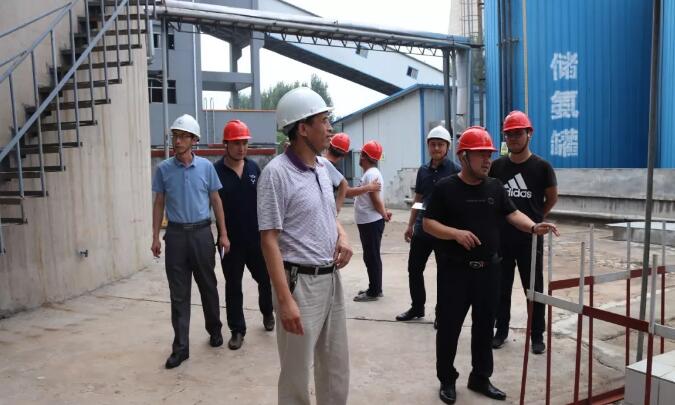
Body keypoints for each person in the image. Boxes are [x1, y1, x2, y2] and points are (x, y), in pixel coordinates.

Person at [423, 126, 559, 404]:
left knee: (485, 327)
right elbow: (428, 223)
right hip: (455, 273)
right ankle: (447, 379)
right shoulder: (445, 188)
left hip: (488, 271)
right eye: (481, 154)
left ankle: (480, 377)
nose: (488, 160)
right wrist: (455, 233)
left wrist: (534, 227)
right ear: (463, 157)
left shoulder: (495, 187)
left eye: (490, 154)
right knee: (449, 328)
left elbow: (513, 214)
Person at [257, 87, 354, 405]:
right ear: (302, 128)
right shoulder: (276, 174)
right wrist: (285, 300)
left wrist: (341, 235)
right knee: (296, 374)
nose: (330, 128)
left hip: (331, 280)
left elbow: (328, 212)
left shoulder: (323, 168)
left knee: (336, 368)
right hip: (299, 283)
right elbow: (269, 239)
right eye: (323, 121)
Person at [151, 114, 230, 369]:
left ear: (194, 140)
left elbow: (216, 200)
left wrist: (223, 234)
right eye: (175, 135)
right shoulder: (163, 169)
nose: (178, 141)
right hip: (175, 236)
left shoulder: (206, 168)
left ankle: (214, 329)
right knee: (178, 294)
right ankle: (181, 348)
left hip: (201, 233)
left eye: (184, 136)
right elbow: (159, 203)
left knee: (208, 285)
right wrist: (155, 236)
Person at [489, 110, 558, 354]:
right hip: (502, 238)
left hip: (530, 239)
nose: (513, 139)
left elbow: (551, 198)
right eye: (509, 135)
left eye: (518, 134)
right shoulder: (497, 167)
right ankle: (501, 331)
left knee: (534, 288)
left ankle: (537, 334)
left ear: (529, 134)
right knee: (501, 287)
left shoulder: (542, 167)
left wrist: (536, 217)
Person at [213, 119, 275, 351]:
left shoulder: (253, 169)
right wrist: (223, 235)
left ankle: (267, 312)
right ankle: (237, 330)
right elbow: (214, 204)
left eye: (244, 143)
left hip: (256, 239)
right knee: (233, 286)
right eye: (236, 143)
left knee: (265, 279)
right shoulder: (216, 171)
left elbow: (264, 202)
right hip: (229, 241)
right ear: (226, 144)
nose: (241, 148)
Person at [396, 126, 460, 324]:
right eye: (433, 144)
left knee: (444, 274)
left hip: (443, 231)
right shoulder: (423, 171)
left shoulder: (455, 170)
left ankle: (442, 314)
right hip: (422, 230)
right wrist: (410, 224)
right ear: (428, 146)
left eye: (440, 144)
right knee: (414, 269)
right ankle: (417, 307)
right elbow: (419, 199)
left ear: (447, 147)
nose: (436, 148)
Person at [353, 140, 392, 302]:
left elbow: (375, 199)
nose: (359, 157)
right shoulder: (371, 173)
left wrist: (383, 214)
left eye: (361, 154)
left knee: (371, 256)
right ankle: (374, 287)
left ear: (364, 156)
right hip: (368, 221)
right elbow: (376, 199)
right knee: (371, 256)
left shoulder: (371, 174)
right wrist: (384, 212)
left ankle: (374, 291)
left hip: (371, 222)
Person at [320, 132, 381, 213]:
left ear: (329, 146)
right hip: (323, 210)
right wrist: (368, 187)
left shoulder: (317, 160)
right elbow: (347, 192)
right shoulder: (336, 172)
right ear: (344, 154)